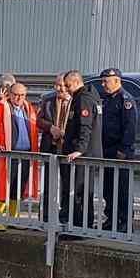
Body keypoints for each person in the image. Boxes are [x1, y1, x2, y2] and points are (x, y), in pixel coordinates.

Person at [39, 71, 98, 226]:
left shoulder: (82, 99)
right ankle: (71, 222)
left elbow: (85, 127)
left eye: (67, 85)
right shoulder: (77, 98)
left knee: (79, 191)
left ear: (74, 82)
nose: (64, 89)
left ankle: (79, 226)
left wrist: (79, 149)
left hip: (80, 154)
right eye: (60, 85)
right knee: (70, 189)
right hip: (62, 150)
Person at [0, 81, 40, 230]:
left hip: (25, 155)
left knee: (18, 188)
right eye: (16, 95)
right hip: (7, 154)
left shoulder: (28, 109)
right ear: (10, 94)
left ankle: (13, 219)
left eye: (22, 95)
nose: (18, 98)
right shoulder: (1, 107)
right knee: (4, 187)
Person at [96, 67, 137, 233]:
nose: (103, 84)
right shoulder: (106, 99)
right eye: (103, 81)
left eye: (106, 81)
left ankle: (125, 221)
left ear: (117, 81)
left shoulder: (125, 99)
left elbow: (130, 127)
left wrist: (124, 149)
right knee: (108, 188)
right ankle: (111, 218)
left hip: (120, 151)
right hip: (107, 150)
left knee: (122, 189)